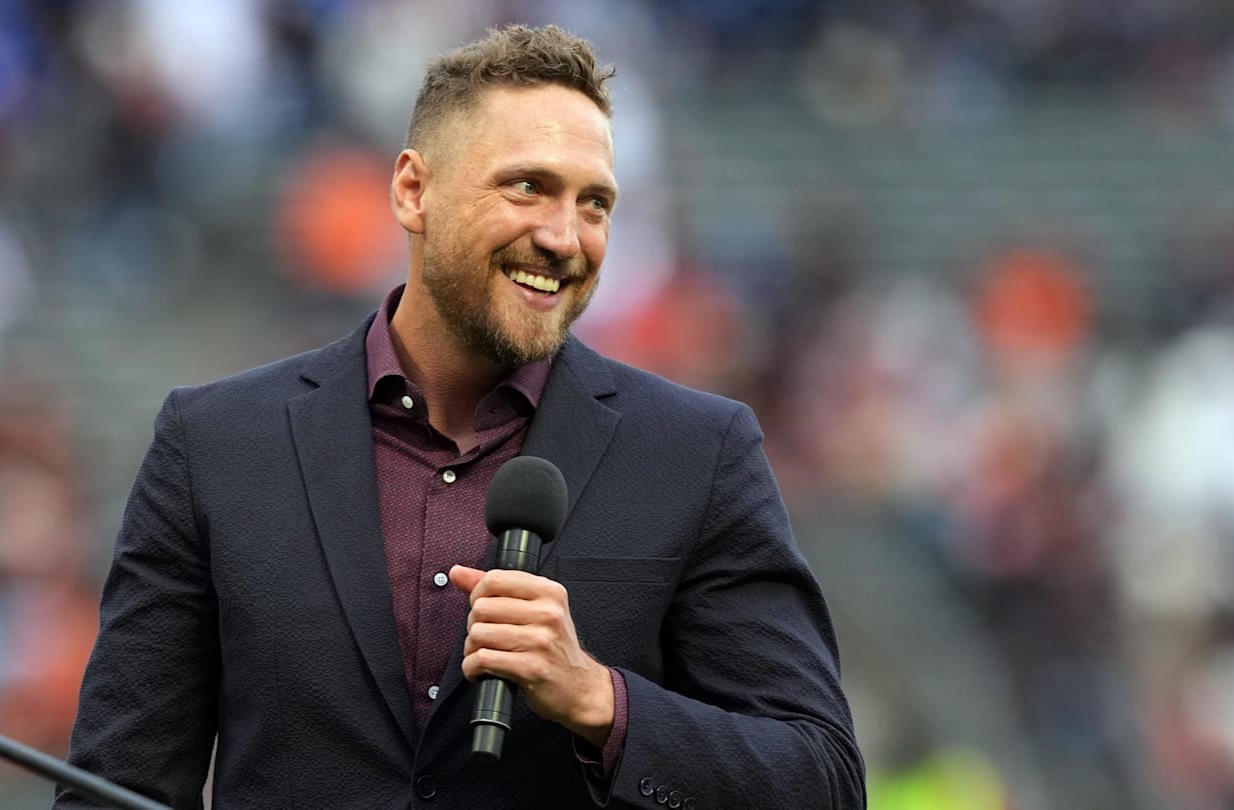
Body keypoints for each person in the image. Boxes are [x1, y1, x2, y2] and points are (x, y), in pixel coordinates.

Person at [56, 24, 864, 809]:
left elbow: (821, 780)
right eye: (528, 186)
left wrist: (603, 702)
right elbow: (116, 789)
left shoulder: (697, 453)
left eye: (595, 204)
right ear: (414, 189)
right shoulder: (216, 445)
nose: (564, 237)